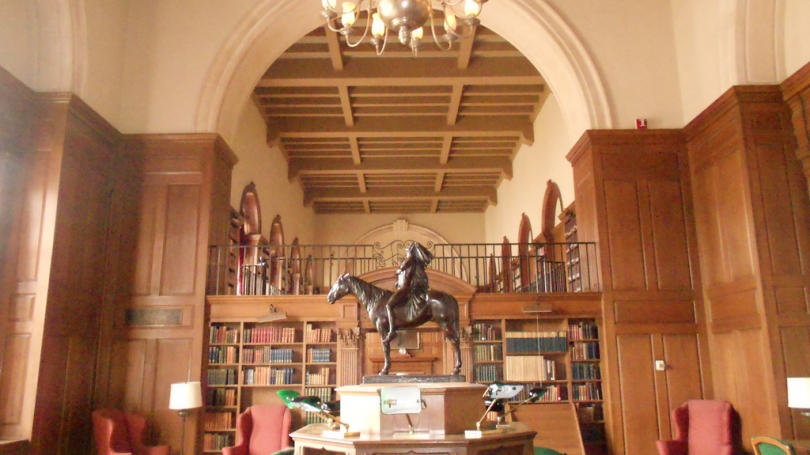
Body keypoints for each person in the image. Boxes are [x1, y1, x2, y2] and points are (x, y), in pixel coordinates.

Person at [381, 242, 433, 343]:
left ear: (412, 251)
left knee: (389, 305)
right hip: (403, 287)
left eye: (408, 249)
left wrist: (399, 270)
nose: (407, 251)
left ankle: (392, 331)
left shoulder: (411, 260)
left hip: (404, 289)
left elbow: (403, 266)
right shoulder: (414, 262)